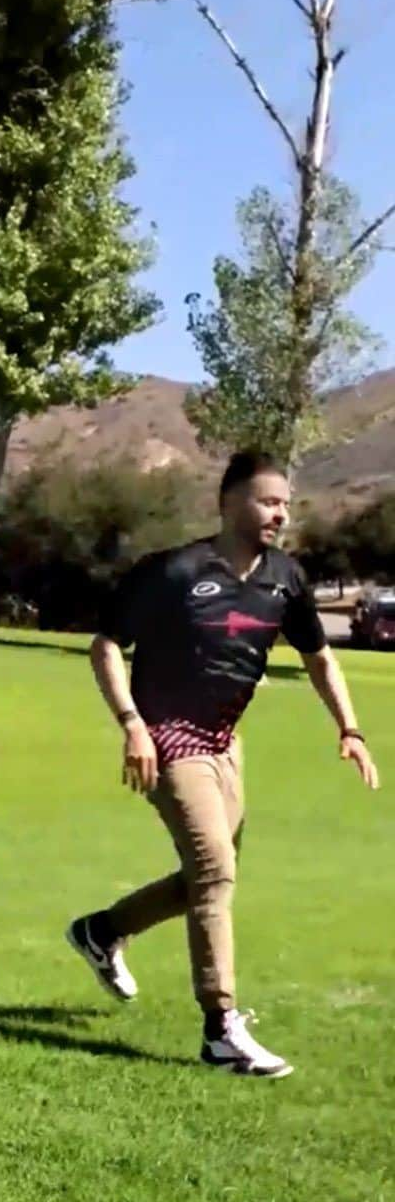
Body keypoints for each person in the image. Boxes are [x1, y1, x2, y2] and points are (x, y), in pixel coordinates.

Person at [68, 452, 379, 1078]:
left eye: (286, 504)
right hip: (168, 739)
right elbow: (107, 646)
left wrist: (349, 727)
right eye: (268, 501)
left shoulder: (286, 578)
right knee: (214, 871)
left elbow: (319, 657)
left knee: (210, 875)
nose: (281, 513)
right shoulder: (174, 571)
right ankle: (220, 1028)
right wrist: (132, 725)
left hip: (225, 741)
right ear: (229, 502)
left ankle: (102, 931)